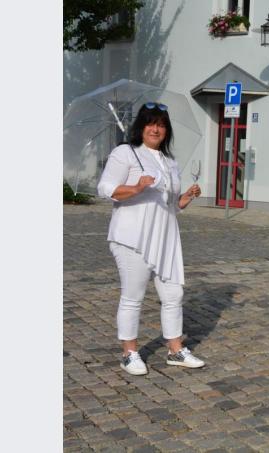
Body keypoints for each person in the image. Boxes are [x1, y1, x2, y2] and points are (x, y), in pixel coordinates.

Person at [97, 102, 205, 375]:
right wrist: (136, 187)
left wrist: (187, 197)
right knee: (133, 295)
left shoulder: (170, 162)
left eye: (161, 125)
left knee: (174, 294)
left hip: (165, 237)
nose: (156, 129)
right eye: (150, 123)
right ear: (141, 127)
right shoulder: (125, 152)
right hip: (133, 237)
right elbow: (105, 188)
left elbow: (171, 205)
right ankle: (129, 353)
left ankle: (175, 350)